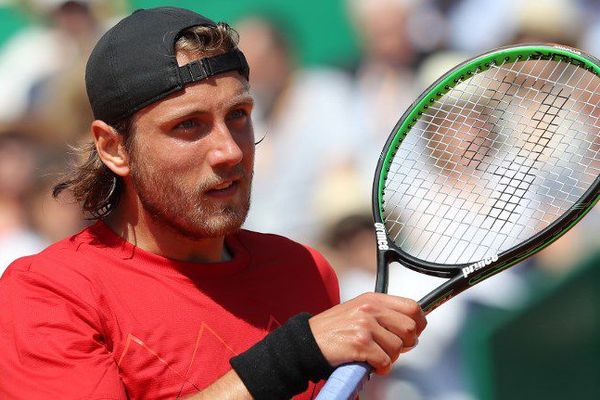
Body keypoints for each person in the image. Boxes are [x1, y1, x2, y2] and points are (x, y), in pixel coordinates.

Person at [0, 7, 426, 400]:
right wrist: (293, 356)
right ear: (114, 148)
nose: (230, 151)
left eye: (238, 115)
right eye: (188, 125)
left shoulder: (304, 271)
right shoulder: (49, 293)